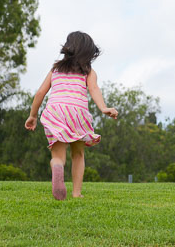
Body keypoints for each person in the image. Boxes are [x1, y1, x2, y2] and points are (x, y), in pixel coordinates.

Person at [25, 31, 118, 200]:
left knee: (58, 156)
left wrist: (33, 115)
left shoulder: (55, 70)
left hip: (56, 112)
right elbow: (94, 89)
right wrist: (103, 108)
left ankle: (57, 165)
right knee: (78, 154)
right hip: (78, 112)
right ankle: (76, 193)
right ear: (88, 52)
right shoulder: (88, 71)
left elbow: (40, 93)